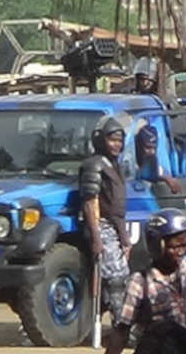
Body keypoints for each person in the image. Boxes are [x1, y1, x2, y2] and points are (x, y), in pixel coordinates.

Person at [105, 208, 186, 354]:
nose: (181, 252)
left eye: (185, 245)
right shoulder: (140, 283)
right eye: (175, 247)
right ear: (157, 245)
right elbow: (122, 330)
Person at [79, 116, 131, 327]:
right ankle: (121, 325)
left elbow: (118, 210)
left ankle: (125, 322)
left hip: (116, 227)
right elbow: (90, 202)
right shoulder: (94, 165)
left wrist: (125, 238)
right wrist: (96, 237)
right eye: (112, 140)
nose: (116, 144)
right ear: (101, 140)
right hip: (101, 227)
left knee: (123, 277)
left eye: (119, 140)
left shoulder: (114, 165)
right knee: (115, 278)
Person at [135, 125, 181, 194]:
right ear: (139, 146)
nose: (152, 152)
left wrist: (166, 178)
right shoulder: (129, 162)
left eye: (154, 148)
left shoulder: (159, 168)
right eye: (148, 148)